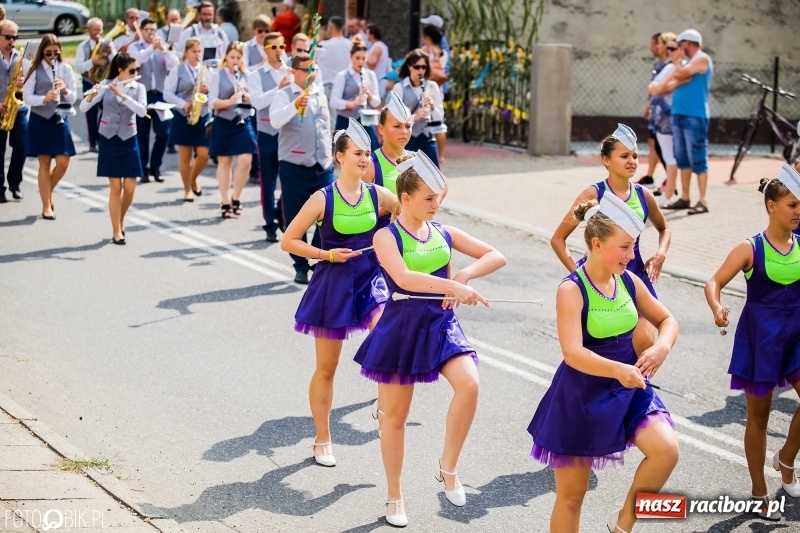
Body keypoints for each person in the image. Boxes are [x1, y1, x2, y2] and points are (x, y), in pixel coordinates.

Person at [354, 151, 506, 527]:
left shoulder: (443, 232)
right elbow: (404, 279)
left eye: (438, 197)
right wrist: (450, 283)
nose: (436, 204)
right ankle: (394, 495)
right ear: (405, 200)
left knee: (469, 385)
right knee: (394, 418)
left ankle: (448, 467)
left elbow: (496, 254)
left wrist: (466, 276)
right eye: (428, 198)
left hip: (441, 323)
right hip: (401, 327)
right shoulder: (385, 237)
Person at [529, 193, 679, 533]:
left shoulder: (628, 281)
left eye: (633, 247)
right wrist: (618, 370)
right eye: (625, 247)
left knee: (666, 451)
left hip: (628, 384)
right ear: (597, 244)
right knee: (572, 497)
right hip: (581, 393)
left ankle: (623, 523)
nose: (631, 255)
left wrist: (661, 348)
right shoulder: (571, 289)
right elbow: (573, 353)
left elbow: (668, 320)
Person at [281, 118, 396, 468]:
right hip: (333, 284)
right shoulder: (322, 198)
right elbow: (289, 240)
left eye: (366, 154)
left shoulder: (379, 195)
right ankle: (322, 438)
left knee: (386, 337)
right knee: (327, 368)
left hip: (370, 281)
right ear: (339, 157)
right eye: (357, 153)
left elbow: (409, 219)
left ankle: (385, 411)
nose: (364, 159)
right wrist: (325, 255)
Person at [705, 164, 800, 521]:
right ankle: (759, 490)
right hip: (760, 339)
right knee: (758, 417)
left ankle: (786, 457)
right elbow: (713, 282)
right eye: (792, 205)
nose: (798, 212)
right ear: (772, 206)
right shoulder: (750, 248)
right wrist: (717, 307)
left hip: (796, 336)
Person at [551, 125, 671, 357]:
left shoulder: (643, 195)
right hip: (599, 276)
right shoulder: (593, 194)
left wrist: (661, 253)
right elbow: (558, 239)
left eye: (635, 156)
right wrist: (579, 276)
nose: (632, 161)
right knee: (601, 343)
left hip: (634, 273)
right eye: (624, 156)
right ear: (606, 160)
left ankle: (634, 386)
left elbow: (664, 228)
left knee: (645, 342)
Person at [270, 53, 334, 284]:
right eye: (306, 70)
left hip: (322, 165)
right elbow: (275, 120)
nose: (311, 75)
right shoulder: (283, 94)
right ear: (294, 71)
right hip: (294, 164)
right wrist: (294, 105)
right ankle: (299, 265)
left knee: (328, 213)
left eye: (313, 69)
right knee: (296, 219)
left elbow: (325, 125)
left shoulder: (319, 93)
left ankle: (315, 257)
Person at [79, 53, 147, 245]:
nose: (135, 73)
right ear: (120, 70)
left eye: (137, 70)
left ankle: (120, 217)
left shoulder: (138, 87)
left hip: (128, 137)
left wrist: (123, 96)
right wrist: (92, 94)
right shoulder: (107, 84)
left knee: (131, 188)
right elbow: (84, 107)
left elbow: (142, 111)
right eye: (132, 70)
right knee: (116, 186)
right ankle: (117, 230)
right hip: (109, 137)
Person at [22, 33, 76, 221]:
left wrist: (64, 90)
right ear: (42, 52)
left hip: (59, 117)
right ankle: (47, 206)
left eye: (55, 53)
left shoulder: (65, 68)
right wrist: (44, 98)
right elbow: (27, 97)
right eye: (48, 53)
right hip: (40, 118)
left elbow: (74, 97)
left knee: (63, 162)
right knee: (44, 163)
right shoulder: (33, 69)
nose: (52, 57)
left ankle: (46, 191)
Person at [663, 28, 713, 214]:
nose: (677, 48)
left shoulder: (701, 58)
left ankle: (702, 200)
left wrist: (677, 62)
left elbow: (680, 75)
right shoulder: (688, 62)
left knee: (698, 157)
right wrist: (679, 63)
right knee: (682, 157)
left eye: (680, 44)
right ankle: (685, 197)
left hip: (695, 116)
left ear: (688, 43)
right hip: (679, 114)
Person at [248, 31, 292, 242]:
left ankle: (281, 213)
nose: (278, 52)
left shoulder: (290, 70)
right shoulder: (255, 75)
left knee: (289, 177)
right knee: (268, 180)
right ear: (266, 50)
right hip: (267, 133)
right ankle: (269, 223)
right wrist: (278, 88)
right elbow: (257, 103)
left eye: (281, 47)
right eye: (273, 48)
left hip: (289, 134)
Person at [208, 42, 256, 218]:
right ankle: (225, 200)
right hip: (223, 120)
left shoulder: (247, 75)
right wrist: (228, 101)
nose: (235, 61)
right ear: (226, 57)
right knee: (224, 162)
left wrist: (245, 95)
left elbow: (256, 100)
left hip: (242, 120)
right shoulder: (217, 75)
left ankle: (236, 196)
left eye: (238, 57)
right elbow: (211, 101)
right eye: (232, 57)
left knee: (245, 159)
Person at [130, 18, 178, 184]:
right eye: (148, 30)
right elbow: (137, 61)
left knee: (164, 132)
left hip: (160, 96)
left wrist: (165, 51)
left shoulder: (161, 46)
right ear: (142, 31)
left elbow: (175, 65)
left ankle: (155, 166)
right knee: (142, 135)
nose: (151, 33)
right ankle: (143, 169)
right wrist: (152, 48)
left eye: (153, 30)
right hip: (141, 95)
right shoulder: (135, 47)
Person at [163, 37, 210, 202]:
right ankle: (187, 189)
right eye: (193, 52)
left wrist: (207, 90)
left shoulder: (206, 70)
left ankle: (193, 177)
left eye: (199, 51)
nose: (197, 55)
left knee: (205, 154)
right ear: (186, 52)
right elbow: (167, 93)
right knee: (185, 155)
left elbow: (214, 92)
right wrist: (184, 104)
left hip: (202, 114)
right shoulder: (178, 69)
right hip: (184, 115)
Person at [392, 49, 444, 168]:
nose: (421, 70)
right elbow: (394, 118)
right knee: (406, 175)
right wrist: (415, 117)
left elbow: (440, 117)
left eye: (424, 67)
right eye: (417, 67)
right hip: (407, 138)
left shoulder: (432, 86)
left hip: (427, 136)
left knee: (433, 175)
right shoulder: (399, 87)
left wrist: (432, 106)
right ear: (410, 66)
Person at [647, 33, 679, 208]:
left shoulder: (677, 68)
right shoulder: (667, 67)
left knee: (672, 157)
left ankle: (670, 191)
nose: (670, 51)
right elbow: (653, 87)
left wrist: (659, 88)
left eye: (673, 48)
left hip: (670, 115)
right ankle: (669, 190)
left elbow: (664, 87)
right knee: (664, 153)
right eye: (669, 48)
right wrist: (659, 88)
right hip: (660, 115)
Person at [330, 39, 380, 150]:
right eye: (357, 58)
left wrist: (369, 95)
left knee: (371, 151)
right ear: (350, 57)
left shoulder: (371, 75)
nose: (361, 62)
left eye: (364, 58)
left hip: (366, 120)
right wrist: (352, 103)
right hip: (346, 120)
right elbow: (334, 101)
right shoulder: (342, 75)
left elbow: (377, 102)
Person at [74, 17, 115, 153]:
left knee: (106, 111)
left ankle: (101, 137)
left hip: (104, 83)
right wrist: (93, 62)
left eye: (99, 29)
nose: (97, 32)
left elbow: (116, 62)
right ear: (89, 30)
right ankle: (93, 142)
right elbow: (78, 68)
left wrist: (111, 53)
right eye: (94, 29)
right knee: (91, 114)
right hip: (89, 82)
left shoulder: (107, 44)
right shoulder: (83, 46)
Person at [0, 21, 28, 203]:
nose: (12, 40)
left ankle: (15, 183)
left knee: (23, 145)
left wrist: (24, 82)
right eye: (8, 37)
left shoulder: (21, 57)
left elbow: (33, 82)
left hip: (18, 106)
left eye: (14, 37)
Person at [364, 92, 411, 197]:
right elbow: (364, 207)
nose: (404, 131)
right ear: (381, 129)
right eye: (397, 126)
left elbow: (442, 184)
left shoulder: (416, 158)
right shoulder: (371, 163)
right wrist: (398, 206)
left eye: (408, 126)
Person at [637, 33, 668, 189]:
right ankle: (650, 176)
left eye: (654, 44)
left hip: (665, 111)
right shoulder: (657, 63)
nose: (651, 48)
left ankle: (670, 179)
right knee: (653, 143)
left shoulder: (670, 65)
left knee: (663, 145)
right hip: (655, 108)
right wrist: (649, 105)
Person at [420, 25, 449, 166]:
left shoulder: (427, 51)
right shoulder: (443, 52)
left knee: (434, 121)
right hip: (439, 87)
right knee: (438, 122)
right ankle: (441, 155)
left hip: (429, 86)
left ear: (428, 37)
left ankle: (433, 151)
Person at [317, 16, 351, 125]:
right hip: (347, 86)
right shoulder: (351, 44)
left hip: (329, 85)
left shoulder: (323, 45)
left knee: (330, 120)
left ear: (331, 27)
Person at [366, 24, 391, 98]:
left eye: (367, 33)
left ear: (372, 35)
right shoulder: (382, 46)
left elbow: (372, 63)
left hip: (377, 81)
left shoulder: (377, 47)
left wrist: (364, 57)